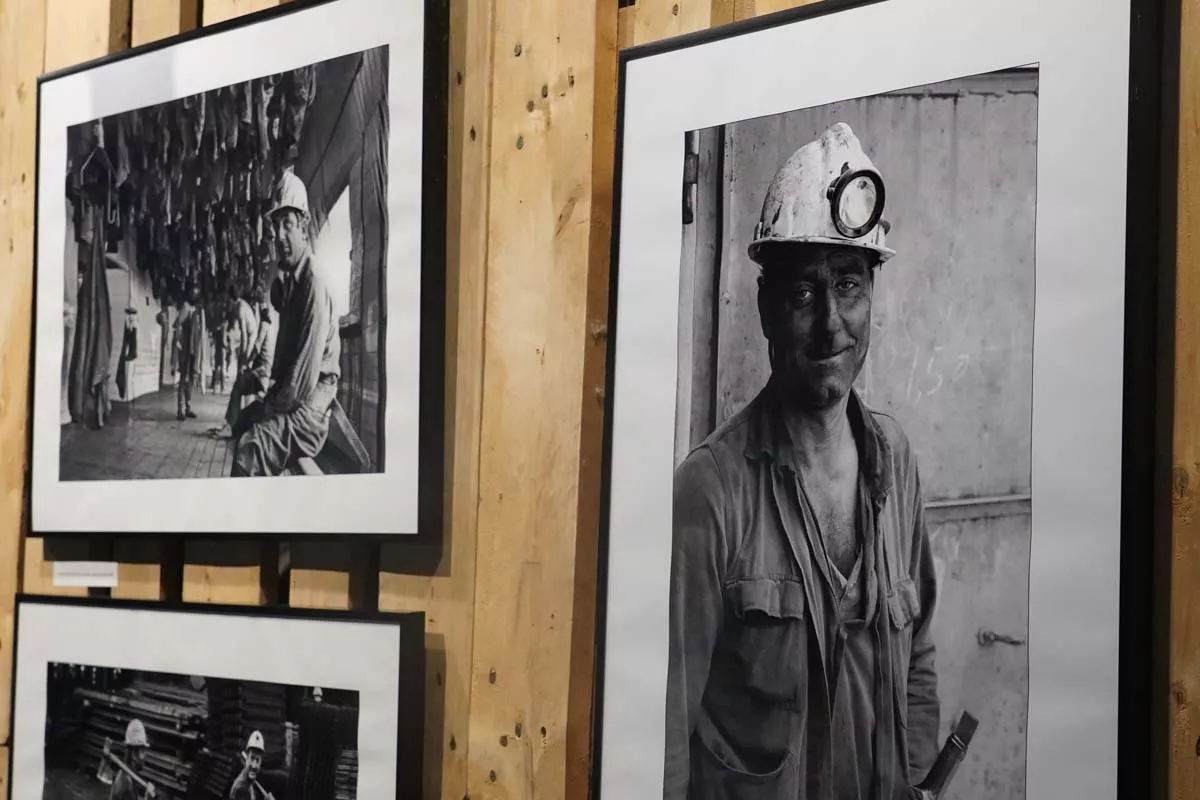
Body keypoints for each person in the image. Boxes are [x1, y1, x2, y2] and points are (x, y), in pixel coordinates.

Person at [665, 123, 939, 800]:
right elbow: (664, 732)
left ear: (871, 295)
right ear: (765, 308)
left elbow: (920, 663)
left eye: (848, 286)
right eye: (803, 294)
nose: (830, 326)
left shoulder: (895, 465)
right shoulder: (711, 490)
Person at [232, 169, 340, 476]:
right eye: (275, 226)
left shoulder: (313, 283)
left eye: (287, 225)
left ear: (304, 226)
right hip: (296, 399)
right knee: (243, 422)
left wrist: (269, 406)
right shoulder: (292, 282)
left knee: (249, 451)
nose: (279, 236)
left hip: (310, 412)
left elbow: (302, 382)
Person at [209, 279, 282, 440]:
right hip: (262, 371)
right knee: (239, 388)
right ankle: (232, 425)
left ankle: (230, 426)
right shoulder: (268, 327)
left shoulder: (260, 323)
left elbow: (252, 345)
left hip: (261, 372)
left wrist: (245, 363)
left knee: (238, 387)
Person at [172, 291, 205, 421]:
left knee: (190, 379)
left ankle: (188, 408)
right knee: (183, 379)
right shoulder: (186, 307)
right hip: (185, 349)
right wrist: (178, 344)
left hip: (192, 350)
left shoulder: (196, 311)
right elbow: (177, 325)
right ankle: (180, 410)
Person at [110, 719, 155, 799]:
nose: (145, 756)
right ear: (134, 754)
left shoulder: (127, 776)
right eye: (143, 751)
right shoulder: (126, 783)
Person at [229, 730, 275, 800]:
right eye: (252, 758)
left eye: (257, 760)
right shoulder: (242, 789)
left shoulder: (249, 784)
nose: (254, 765)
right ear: (246, 759)